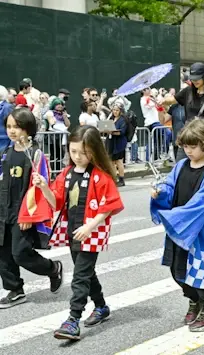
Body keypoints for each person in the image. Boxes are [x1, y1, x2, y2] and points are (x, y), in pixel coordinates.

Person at [32, 126, 124, 340]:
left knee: (80, 275)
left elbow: (109, 206)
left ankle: (73, 319)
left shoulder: (101, 176)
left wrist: (89, 226)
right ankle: (101, 306)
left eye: (83, 153)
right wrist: (44, 186)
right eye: (73, 152)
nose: (78, 157)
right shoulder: (66, 174)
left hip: (92, 232)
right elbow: (55, 202)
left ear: (95, 150)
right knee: (87, 272)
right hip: (72, 230)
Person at [150, 119, 204, 332]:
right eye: (186, 146)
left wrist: (174, 217)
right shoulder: (181, 165)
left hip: (200, 229)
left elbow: (201, 204)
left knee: (201, 268)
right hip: (181, 224)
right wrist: (160, 192)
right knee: (177, 269)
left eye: (193, 146)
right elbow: (170, 186)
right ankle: (194, 300)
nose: (189, 151)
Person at [0, 108, 63, 309]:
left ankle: (52, 269)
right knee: (3, 252)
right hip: (3, 211)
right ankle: (15, 290)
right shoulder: (5, 153)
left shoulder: (36, 155)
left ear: (28, 129)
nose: (12, 131)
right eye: (9, 127)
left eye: (17, 127)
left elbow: (37, 188)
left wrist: (28, 214)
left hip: (23, 212)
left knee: (20, 253)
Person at [160, 62, 204, 161]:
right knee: (181, 168)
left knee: (199, 170)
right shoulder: (188, 91)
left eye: (198, 78)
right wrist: (162, 101)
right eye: (193, 78)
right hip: (187, 138)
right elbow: (172, 100)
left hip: (203, 139)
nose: (195, 81)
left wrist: (198, 127)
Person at [107, 102, 129, 186]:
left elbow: (122, 132)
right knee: (111, 161)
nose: (115, 112)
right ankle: (114, 178)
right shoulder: (111, 118)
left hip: (119, 142)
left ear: (120, 111)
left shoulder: (123, 119)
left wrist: (111, 132)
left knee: (119, 161)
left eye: (117, 110)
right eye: (114, 110)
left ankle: (121, 179)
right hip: (112, 141)